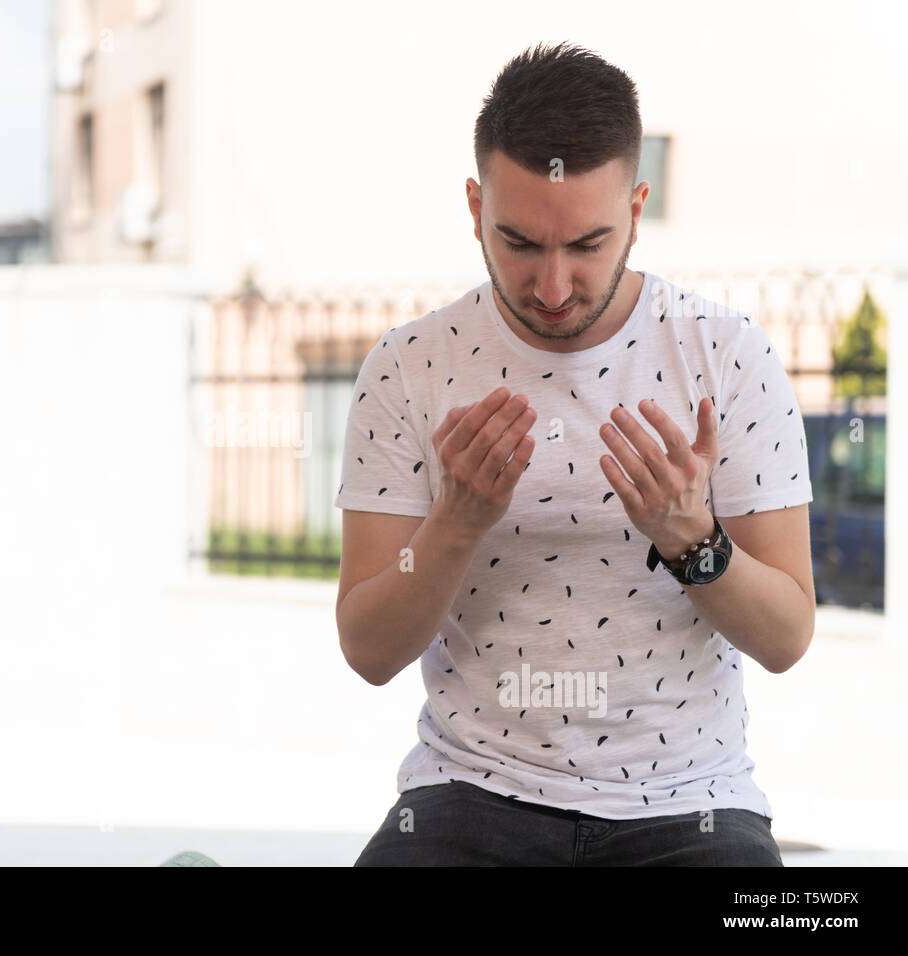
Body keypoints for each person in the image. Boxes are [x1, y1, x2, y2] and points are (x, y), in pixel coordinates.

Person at [334, 41, 815, 866]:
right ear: (474, 204)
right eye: (519, 242)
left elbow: (786, 638)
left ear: (636, 206)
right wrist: (455, 524)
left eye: (587, 245)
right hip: (470, 794)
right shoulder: (410, 366)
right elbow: (369, 653)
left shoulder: (726, 355)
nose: (552, 287)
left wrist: (692, 541)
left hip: (692, 805)